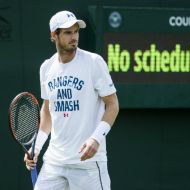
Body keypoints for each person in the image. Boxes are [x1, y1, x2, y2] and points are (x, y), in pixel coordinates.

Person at [24, 10, 119, 190]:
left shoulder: (94, 62)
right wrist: (36, 148)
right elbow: (47, 111)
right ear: (54, 35)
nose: (74, 36)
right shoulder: (46, 68)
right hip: (54, 163)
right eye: (68, 32)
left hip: (88, 164)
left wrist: (96, 139)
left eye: (76, 31)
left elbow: (113, 104)